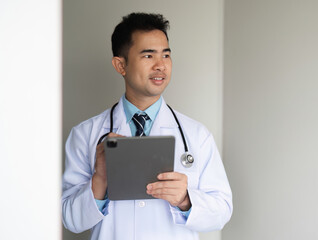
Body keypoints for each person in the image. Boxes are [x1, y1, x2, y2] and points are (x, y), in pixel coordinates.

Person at [62, 12, 232, 240]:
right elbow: (70, 219)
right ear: (120, 65)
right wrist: (100, 179)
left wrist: (185, 199)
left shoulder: (196, 135)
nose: (161, 65)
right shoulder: (85, 134)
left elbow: (222, 211)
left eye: (166, 55)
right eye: (148, 56)